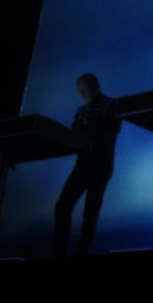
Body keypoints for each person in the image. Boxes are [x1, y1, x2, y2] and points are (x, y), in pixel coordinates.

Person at [54, 73, 121, 257]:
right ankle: (76, 252)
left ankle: (68, 252)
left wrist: (86, 129)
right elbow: (105, 129)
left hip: (93, 164)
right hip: (96, 164)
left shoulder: (104, 106)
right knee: (85, 211)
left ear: (83, 91)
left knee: (74, 208)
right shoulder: (110, 105)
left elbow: (108, 129)